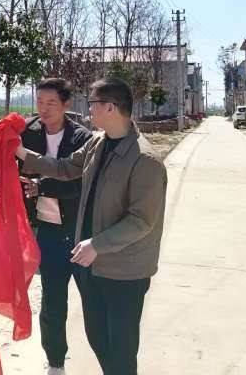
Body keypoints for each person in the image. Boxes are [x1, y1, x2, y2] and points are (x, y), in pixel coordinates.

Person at [16, 77, 167, 375]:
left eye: (93, 104)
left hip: (124, 270)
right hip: (93, 264)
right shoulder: (98, 143)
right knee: (98, 337)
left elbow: (141, 220)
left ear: (110, 107)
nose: (88, 111)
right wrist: (22, 153)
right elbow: (64, 168)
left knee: (120, 347)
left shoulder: (144, 160)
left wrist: (96, 244)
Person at [16, 78, 91, 375]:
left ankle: (108, 357)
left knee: (94, 300)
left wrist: (41, 186)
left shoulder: (82, 138)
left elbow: (80, 183)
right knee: (53, 302)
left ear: (66, 104)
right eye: (39, 102)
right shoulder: (27, 134)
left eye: (51, 103)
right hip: (47, 231)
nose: (43, 109)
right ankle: (56, 362)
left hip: (79, 232)